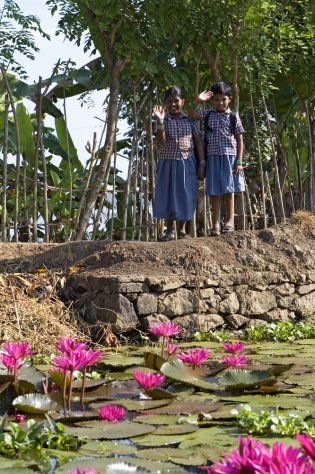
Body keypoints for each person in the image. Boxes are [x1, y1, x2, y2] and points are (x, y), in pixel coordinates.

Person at [188, 82, 245, 235]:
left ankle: (229, 222)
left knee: (229, 190)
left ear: (230, 99)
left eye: (223, 99)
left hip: (230, 157)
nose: (220, 103)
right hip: (212, 157)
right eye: (217, 100)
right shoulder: (208, 114)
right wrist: (198, 101)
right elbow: (191, 114)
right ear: (213, 101)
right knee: (215, 192)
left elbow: (239, 140)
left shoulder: (234, 117)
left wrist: (239, 161)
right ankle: (215, 225)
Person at [153, 86, 205, 241]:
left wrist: (202, 162)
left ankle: (182, 231)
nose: (173, 104)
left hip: (186, 162)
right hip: (167, 162)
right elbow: (161, 142)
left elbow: (198, 143)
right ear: (165, 103)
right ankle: (169, 231)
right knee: (168, 195)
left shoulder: (189, 121)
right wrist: (160, 122)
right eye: (169, 101)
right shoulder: (163, 120)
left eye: (176, 101)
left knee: (185, 196)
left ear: (183, 102)